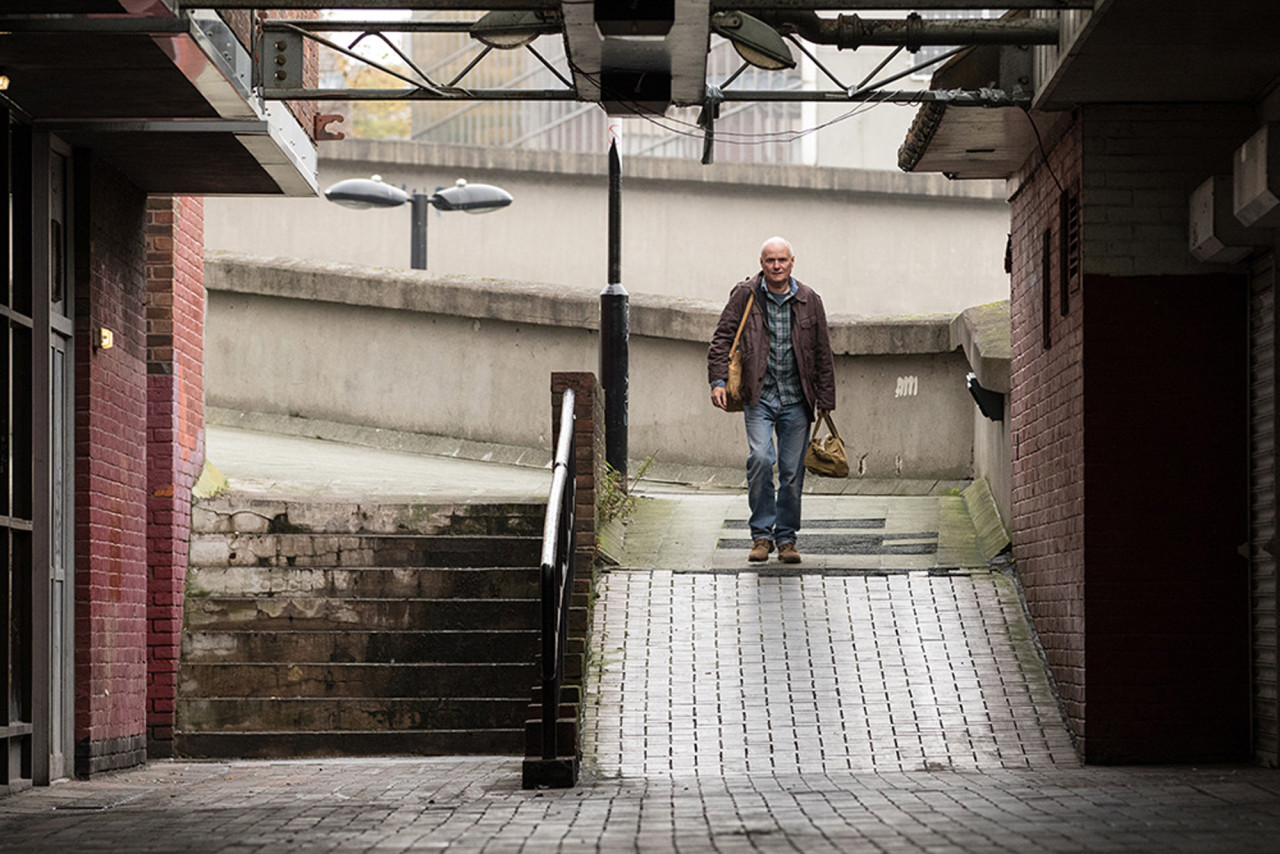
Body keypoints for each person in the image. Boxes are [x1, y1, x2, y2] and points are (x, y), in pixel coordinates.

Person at [707, 237, 836, 564]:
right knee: (761, 460)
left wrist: (826, 398)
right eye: (770, 261)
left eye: (782, 260)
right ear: (761, 263)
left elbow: (823, 352)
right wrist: (718, 381)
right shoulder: (745, 296)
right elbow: (722, 337)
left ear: (792, 262)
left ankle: (787, 539)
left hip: (797, 400)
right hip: (758, 396)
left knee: (792, 471)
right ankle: (762, 535)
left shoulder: (809, 300)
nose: (776, 266)